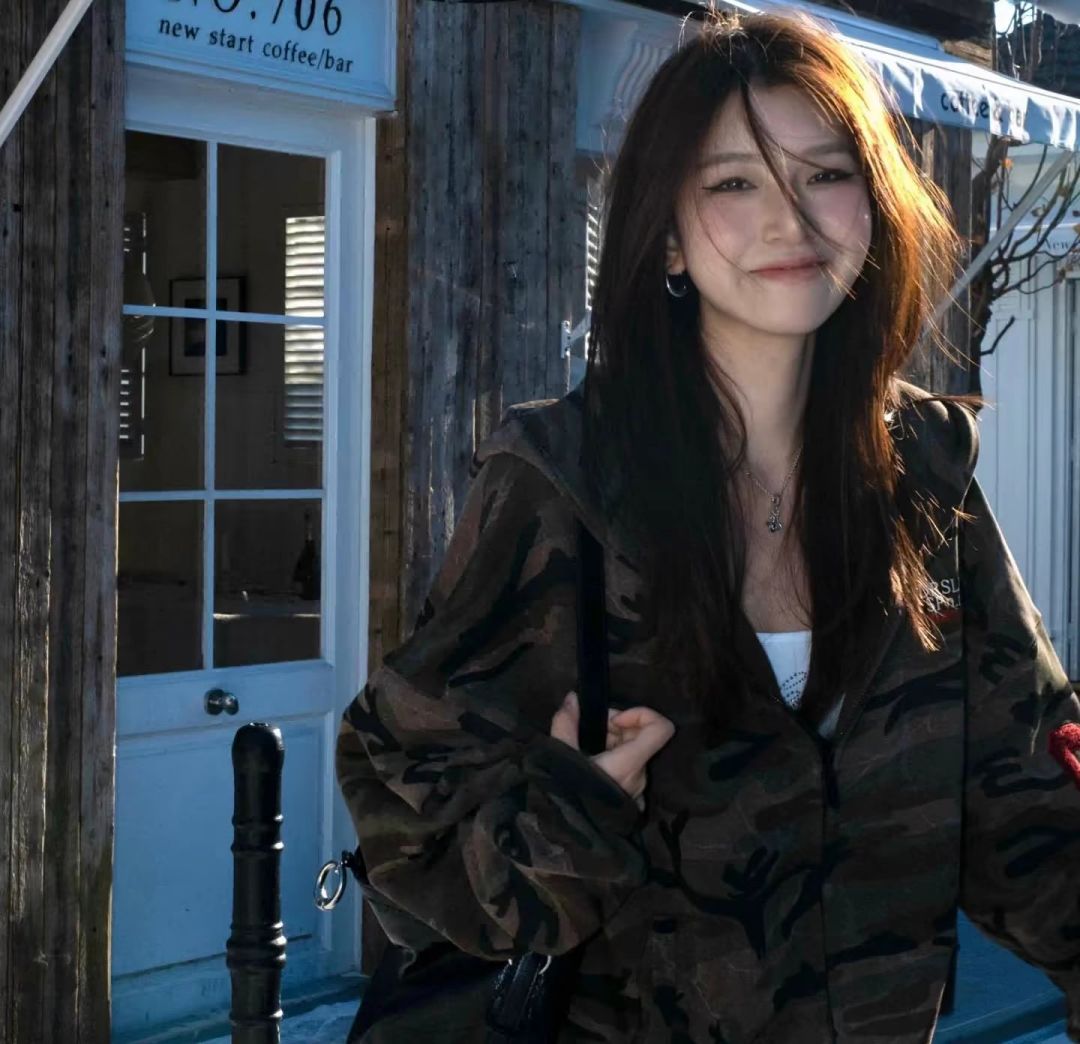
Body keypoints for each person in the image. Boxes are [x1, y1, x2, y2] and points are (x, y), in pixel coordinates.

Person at [336, 7, 1080, 1042]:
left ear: (874, 206)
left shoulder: (925, 474)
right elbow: (405, 828)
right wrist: (576, 807)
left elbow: (1031, 807)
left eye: (826, 173)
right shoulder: (565, 482)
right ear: (668, 236)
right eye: (735, 183)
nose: (790, 217)